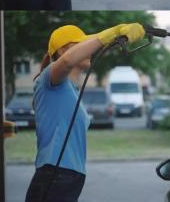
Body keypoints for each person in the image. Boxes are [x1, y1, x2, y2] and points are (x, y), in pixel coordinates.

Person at [25, 23, 145, 202]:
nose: (88, 49)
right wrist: (112, 33)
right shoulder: (49, 79)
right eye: (80, 45)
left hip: (69, 177)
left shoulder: (71, 90)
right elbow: (66, 62)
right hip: (55, 173)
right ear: (61, 51)